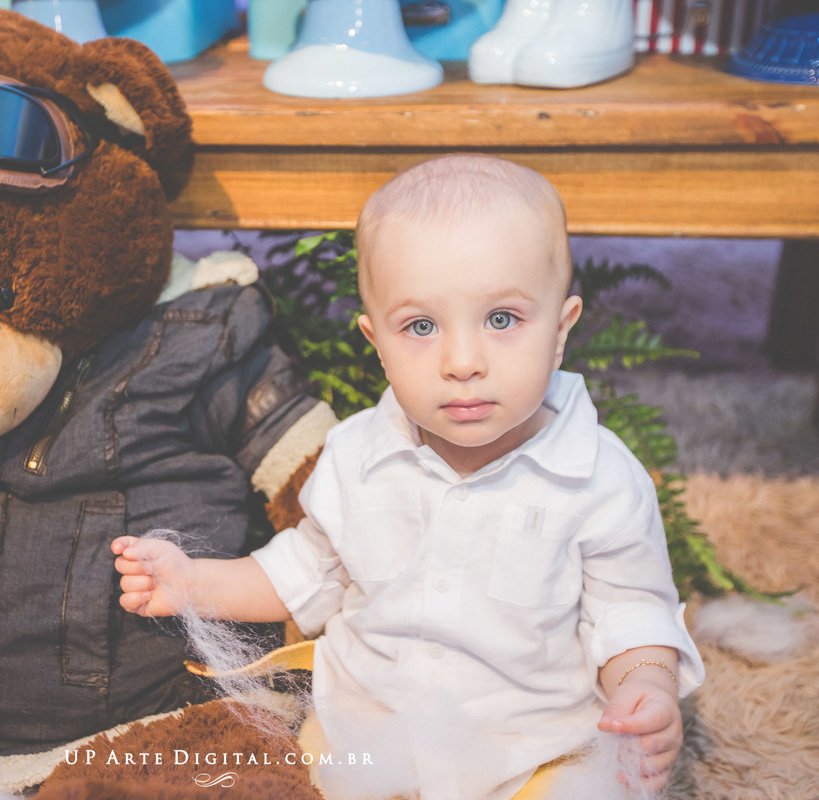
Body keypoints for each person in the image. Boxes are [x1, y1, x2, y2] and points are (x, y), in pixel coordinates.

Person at [112, 154, 704, 800]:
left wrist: (646, 686)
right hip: (368, 739)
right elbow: (304, 574)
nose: (463, 362)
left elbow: (631, 614)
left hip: (534, 748)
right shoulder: (356, 456)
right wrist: (194, 583)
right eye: (421, 326)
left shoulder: (600, 479)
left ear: (560, 331)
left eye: (501, 319)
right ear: (377, 343)